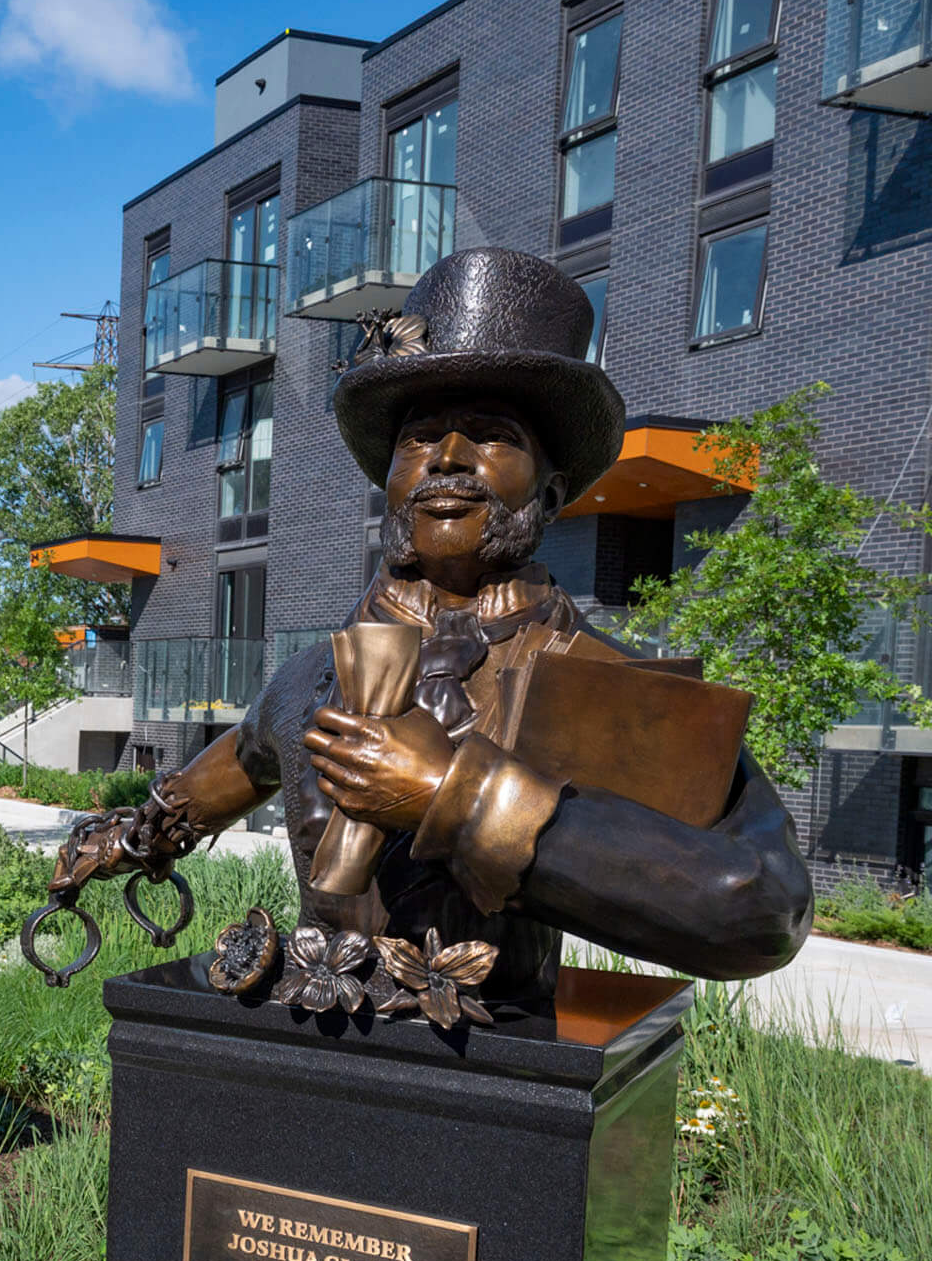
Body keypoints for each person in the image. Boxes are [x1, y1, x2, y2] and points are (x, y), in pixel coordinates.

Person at [50, 248, 811, 1008]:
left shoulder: (612, 688)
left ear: (547, 497)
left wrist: (451, 791)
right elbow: (231, 768)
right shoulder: (310, 677)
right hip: (316, 1055)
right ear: (390, 485)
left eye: (491, 435)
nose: (449, 457)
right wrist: (125, 840)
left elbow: (761, 909)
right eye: (419, 438)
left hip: (495, 1073)